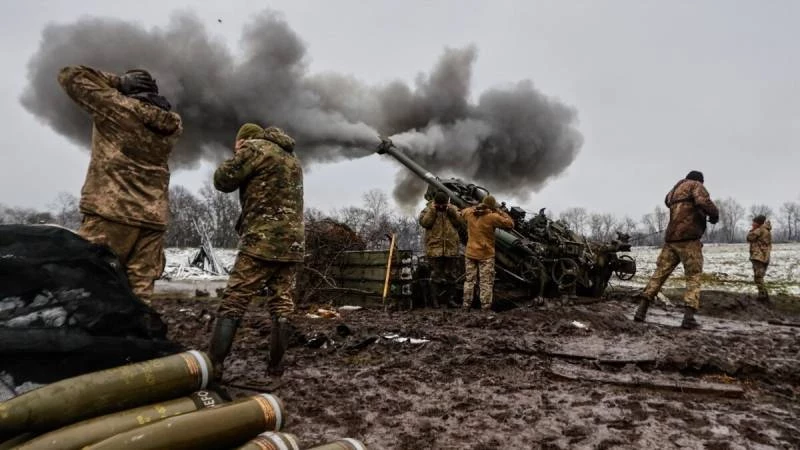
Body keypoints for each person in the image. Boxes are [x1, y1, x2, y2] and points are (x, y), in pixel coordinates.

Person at [57, 65, 182, 303]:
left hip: (112, 213)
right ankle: (138, 337)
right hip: (153, 218)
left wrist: (116, 82)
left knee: (91, 287)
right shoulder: (172, 125)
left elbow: (70, 75)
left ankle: (97, 340)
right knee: (140, 295)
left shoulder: (118, 109)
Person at [207, 123, 304, 380]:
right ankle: (275, 367)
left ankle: (213, 366)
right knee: (282, 306)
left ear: (244, 139)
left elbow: (222, 180)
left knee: (234, 301)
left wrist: (242, 150)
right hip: (292, 244)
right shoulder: (291, 157)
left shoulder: (255, 148)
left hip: (262, 240)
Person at [634, 170, 719, 329]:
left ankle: (641, 311)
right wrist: (715, 214)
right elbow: (702, 201)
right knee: (693, 277)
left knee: (658, 275)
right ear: (700, 180)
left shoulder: (673, 191)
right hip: (689, 240)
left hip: (671, 240)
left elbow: (667, 201)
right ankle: (688, 318)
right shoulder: (696, 185)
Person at [460, 195, 514, 311]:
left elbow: (461, 212)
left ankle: (466, 306)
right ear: (492, 206)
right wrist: (501, 211)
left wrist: (474, 206)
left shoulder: (469, 213)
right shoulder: (492, 217)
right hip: (485, 255)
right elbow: (510, 224)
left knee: (469, 281)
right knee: (485, 282)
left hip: (470, 253)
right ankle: (485, 308)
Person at [418, 191, 464, 308]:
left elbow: (461, 222)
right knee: (435, 276)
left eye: (444, 204)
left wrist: (451, 211)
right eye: (440, 205)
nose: (442, 207)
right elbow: (424, 223)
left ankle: (450, 300)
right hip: (435, 249)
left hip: (450, 248)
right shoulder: (428, 210)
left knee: (451, 276)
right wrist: (433, 211)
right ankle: (435, 301)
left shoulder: (453, 209)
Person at [747, 214, 772, 302]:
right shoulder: (766, 230)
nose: (752, 224)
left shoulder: (759, 230)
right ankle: (764, 294)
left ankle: (763, 296)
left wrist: (752, 230)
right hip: (764, 256)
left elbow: (749, 237)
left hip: (758, 256)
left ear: (758, 223)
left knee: (758, 277)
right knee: (760, 276)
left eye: (754, 222)